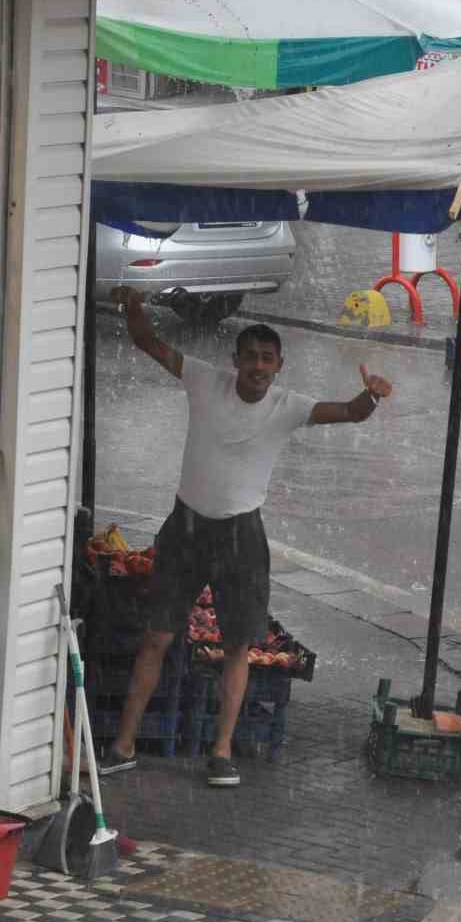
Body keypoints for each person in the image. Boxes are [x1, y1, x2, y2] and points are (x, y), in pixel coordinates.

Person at [98, 287, 394, 787]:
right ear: (234, 361)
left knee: (237, 648)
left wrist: (372, 396)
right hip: (185, 529)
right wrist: (131, 308)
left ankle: (221, 752)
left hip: (242, 537)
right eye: (250, 357)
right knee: (156, 638)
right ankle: (122, 746)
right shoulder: (202, 379)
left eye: (267, 359)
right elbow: (149, 343)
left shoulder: (287, 406)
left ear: (279, 366)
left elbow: (348, 413)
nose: (257, 366)